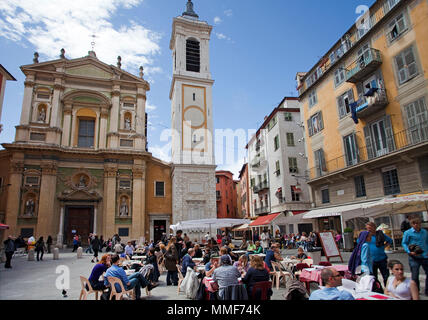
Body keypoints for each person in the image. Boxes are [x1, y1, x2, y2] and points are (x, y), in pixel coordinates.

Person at [401, 216, 428, 296]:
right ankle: (416, 292)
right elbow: (404, 243)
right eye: (414, 223)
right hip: (414, 257)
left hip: (425, 255)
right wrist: (409, 251)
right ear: (411, 224)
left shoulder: (424, 232)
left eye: (418, 223)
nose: (416, 225)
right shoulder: (408, 233)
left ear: (420, 224)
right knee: (415, 275)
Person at [365, 221, 393, 286]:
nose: (369, 230)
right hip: (371, 260)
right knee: (373, 277)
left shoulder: (380, 235)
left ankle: (387, 289)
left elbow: (390, 240)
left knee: (386, 276)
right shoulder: (366, 236)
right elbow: (359, 243)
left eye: (370, 228)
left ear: (374, 227)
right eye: (367, 228)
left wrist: (384, 246)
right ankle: (378, 289)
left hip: (382, 258)